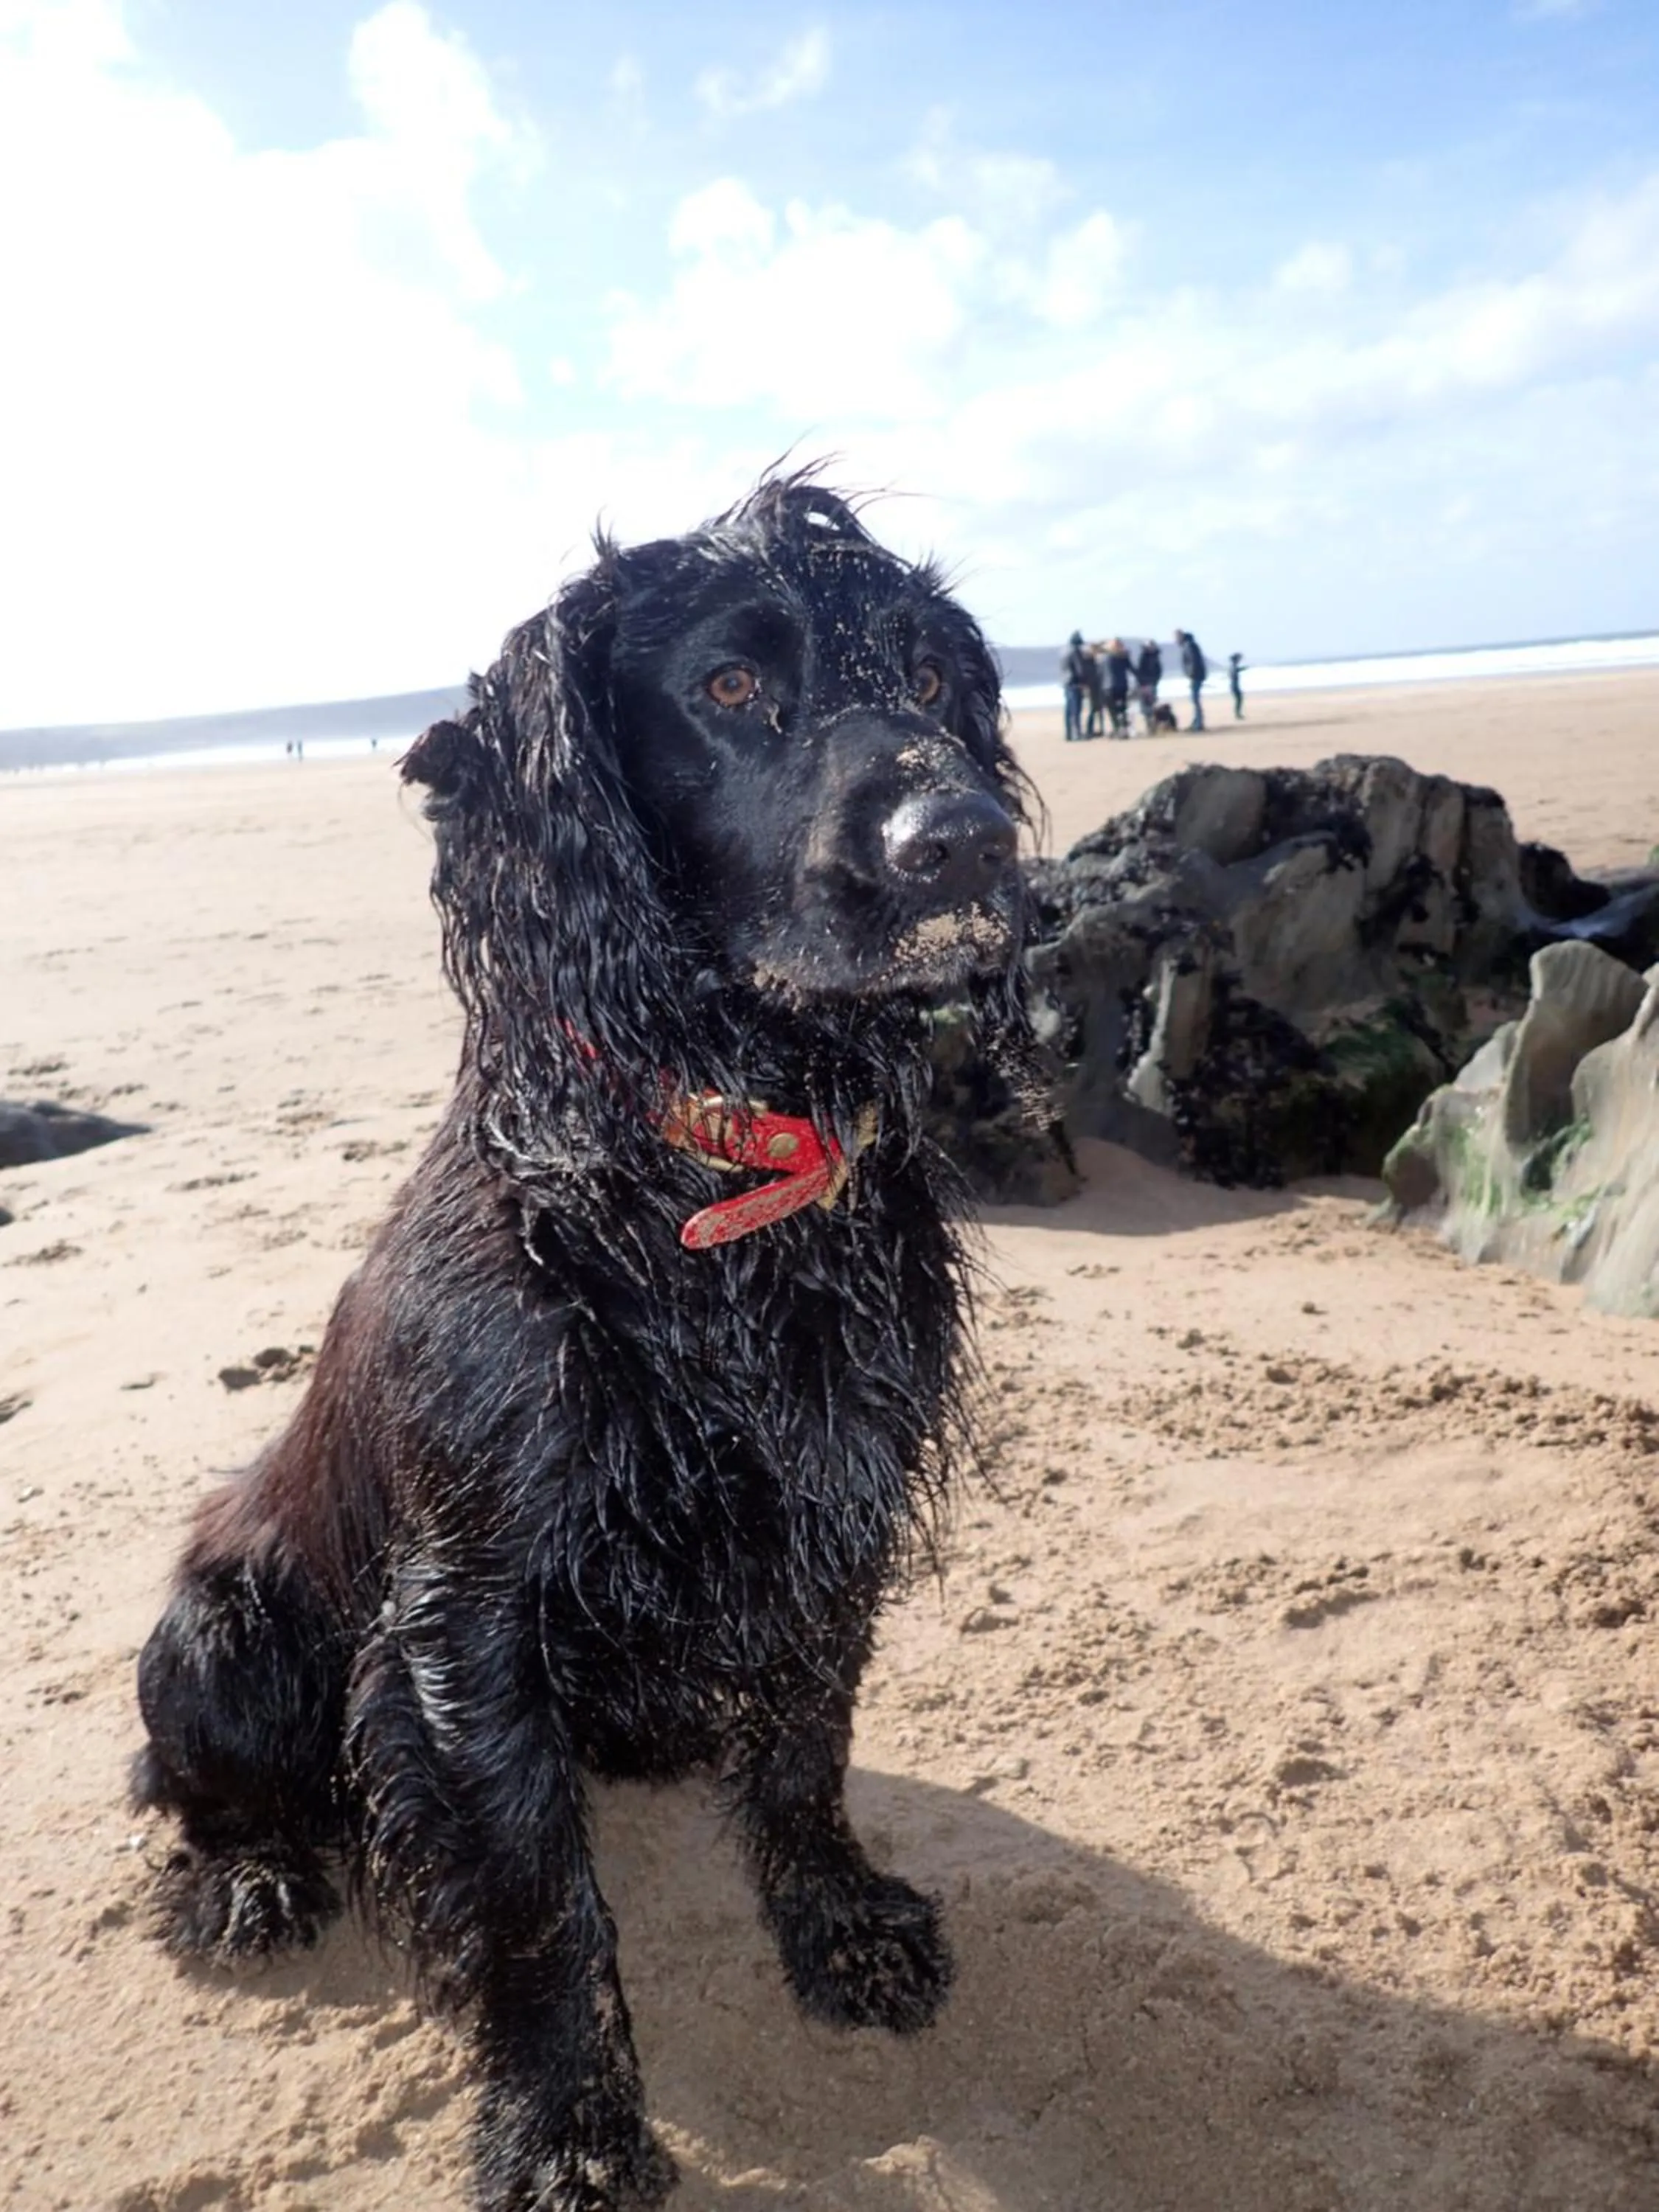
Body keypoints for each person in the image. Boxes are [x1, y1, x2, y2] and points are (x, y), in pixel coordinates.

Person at [1061, 630, 1091, 742]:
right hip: (1075, 683)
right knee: (1076, 710)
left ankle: (1068, 734)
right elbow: (1080, 669)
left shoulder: (1063, 651)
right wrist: (1084, 682)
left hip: (1066, 683)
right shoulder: (1075, 652)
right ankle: (1077, 734)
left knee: (1068, 711)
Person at [1175, 628, 1207, 731]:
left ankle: (1198, 724)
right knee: (1195, 700)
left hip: (1195, 676)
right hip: (1196, 676)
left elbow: (1194, 662)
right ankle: (1197, 722)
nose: (1175, 640)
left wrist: (1191, 674)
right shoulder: (1189, 645)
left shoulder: (1189, 646)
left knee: (1195, 700)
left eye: (1177, 637)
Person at [1102, 638, 1133, 737]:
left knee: (1113, 711)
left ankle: (1117, 729)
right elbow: (1132, 670)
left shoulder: (1104, 658)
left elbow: (1099, 673)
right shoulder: (1123, 657)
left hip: (1108, 687)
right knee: (1122, 709)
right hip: (1121, 686)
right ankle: (1123, 729)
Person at [1133, 636, 1162, 731]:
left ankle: (1152, 725)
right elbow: (1139, 671)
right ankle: (1149, 726)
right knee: (1146, 706)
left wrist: (1156, 680)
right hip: (1144, 684)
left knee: (1152, 705)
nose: (1151, 647)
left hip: (1152, 684)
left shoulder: (1156, 656)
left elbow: (1159, 670)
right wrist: (1142, 684)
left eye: (1152, 645)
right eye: (1150, 646)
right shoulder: (1143, 656)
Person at [1228, 652, 1245, 720]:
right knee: (1239, 700)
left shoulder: (1233, 666)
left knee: (1239, 700)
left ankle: (1238, 713)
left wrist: (1241, 669)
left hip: (1234, 685)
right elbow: (1234, 673)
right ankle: (1237, 714)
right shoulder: (1233, 666)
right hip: (1234, 686)